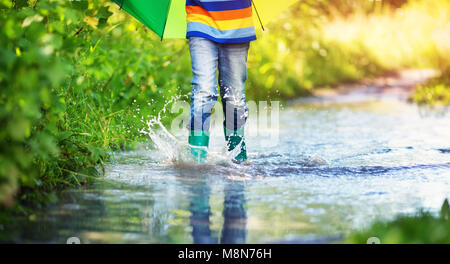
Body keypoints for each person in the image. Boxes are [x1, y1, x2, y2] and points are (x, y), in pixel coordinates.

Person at [186, 0, 257, 164]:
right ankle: (196, 160)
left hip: (238, 23)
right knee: (203, 92)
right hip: (200, 19)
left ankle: (238, 157)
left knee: (235, 97)